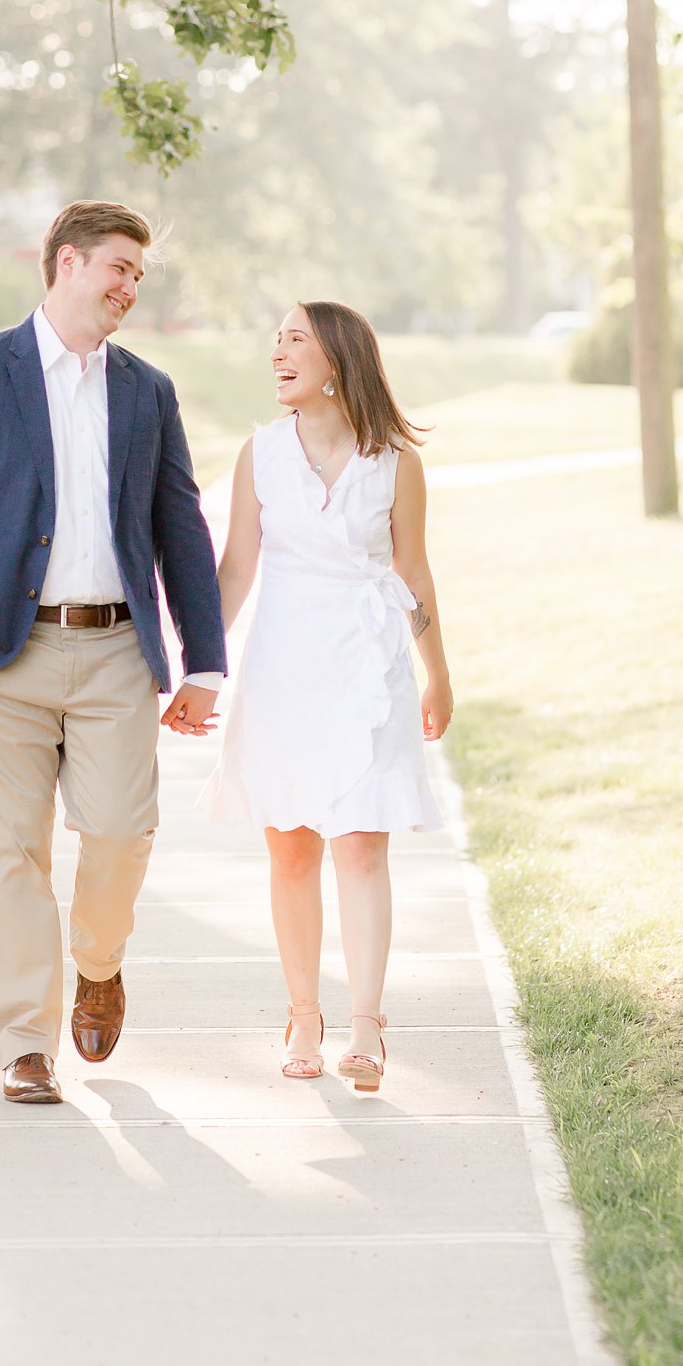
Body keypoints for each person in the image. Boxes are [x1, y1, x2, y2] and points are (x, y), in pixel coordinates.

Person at [0, 200, 226, 1106]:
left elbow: (180, 527)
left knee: (120, 828)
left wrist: (203, 661)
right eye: (118, 266)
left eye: (138, 275)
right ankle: (25, 1043)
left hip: (118, 647)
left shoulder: (146, 390)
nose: (129, 286)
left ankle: (99, 962)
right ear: (66, 262)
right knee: (10, 852)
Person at [197, 300, 454, 1091]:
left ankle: (366, 1025)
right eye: (274, 337)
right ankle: (302, 1012)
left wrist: (438, 670)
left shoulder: (396, 462)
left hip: (368, 667)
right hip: (283, 665)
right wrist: (200, 665)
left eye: (296, 338)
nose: (278, 349)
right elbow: (237, 567)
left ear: (336, 359)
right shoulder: (260, 453)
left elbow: (413, 572)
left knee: (362, 843)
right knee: (292, 846)